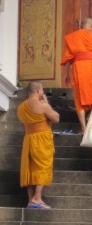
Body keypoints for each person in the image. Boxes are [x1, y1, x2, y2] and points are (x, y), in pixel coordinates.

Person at [17, 81, 59, 209]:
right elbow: (56, 118)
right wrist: (47, 104)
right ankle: (37, 198)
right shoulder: (42, 106)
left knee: (30, 168)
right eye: (42, 91)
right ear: (37, 91)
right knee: (42, 166)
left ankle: (30, 200)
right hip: (42, 138)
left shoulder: (21, 107)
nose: (42, 93)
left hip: (29, 138)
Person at [61, 18, 92, 134]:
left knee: (79, 97)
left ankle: (84, 128)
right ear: (91, 25)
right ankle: (91, 122)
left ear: (81, 26)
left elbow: (70, 58)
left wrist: (67, 74)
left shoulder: (74, 36)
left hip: (78, 67)